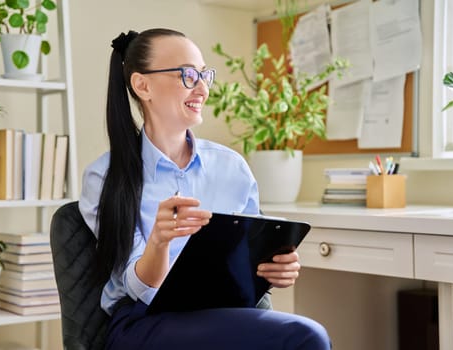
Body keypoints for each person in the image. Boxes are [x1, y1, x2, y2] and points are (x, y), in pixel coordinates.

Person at [79, 28, 331, 350]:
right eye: (187, 74)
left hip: (224, 314)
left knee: (305, 334)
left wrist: (275, 269)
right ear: (143, 85)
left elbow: (251, 254)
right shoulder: (104, 176)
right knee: (305, 337)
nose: (202, 88)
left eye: (203, 75)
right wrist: (158, 240)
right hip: (144, 322)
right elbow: (140, 287)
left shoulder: (232, 167)